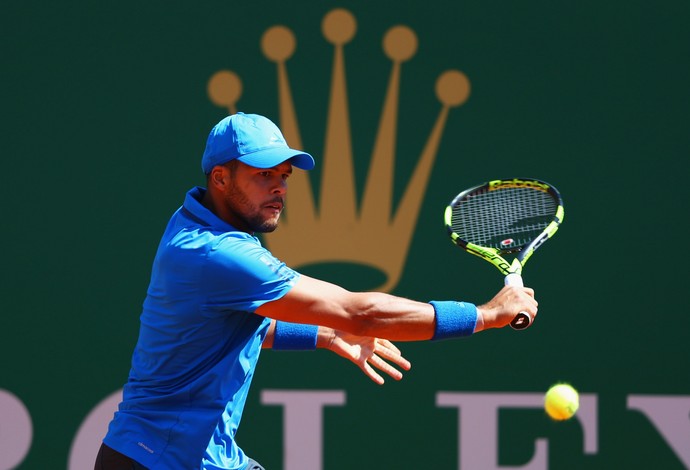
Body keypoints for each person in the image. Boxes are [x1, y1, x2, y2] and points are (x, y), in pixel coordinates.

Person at [97, 112, 538, 470]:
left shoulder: (195, 222)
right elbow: (359, 312)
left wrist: (324, 335)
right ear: (220, 178)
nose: (280, 189)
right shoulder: (219, 254)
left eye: (285, 176)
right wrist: (486, 315)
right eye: (264, 175)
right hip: (158, 460)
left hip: (194, 457)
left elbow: (230, 327)